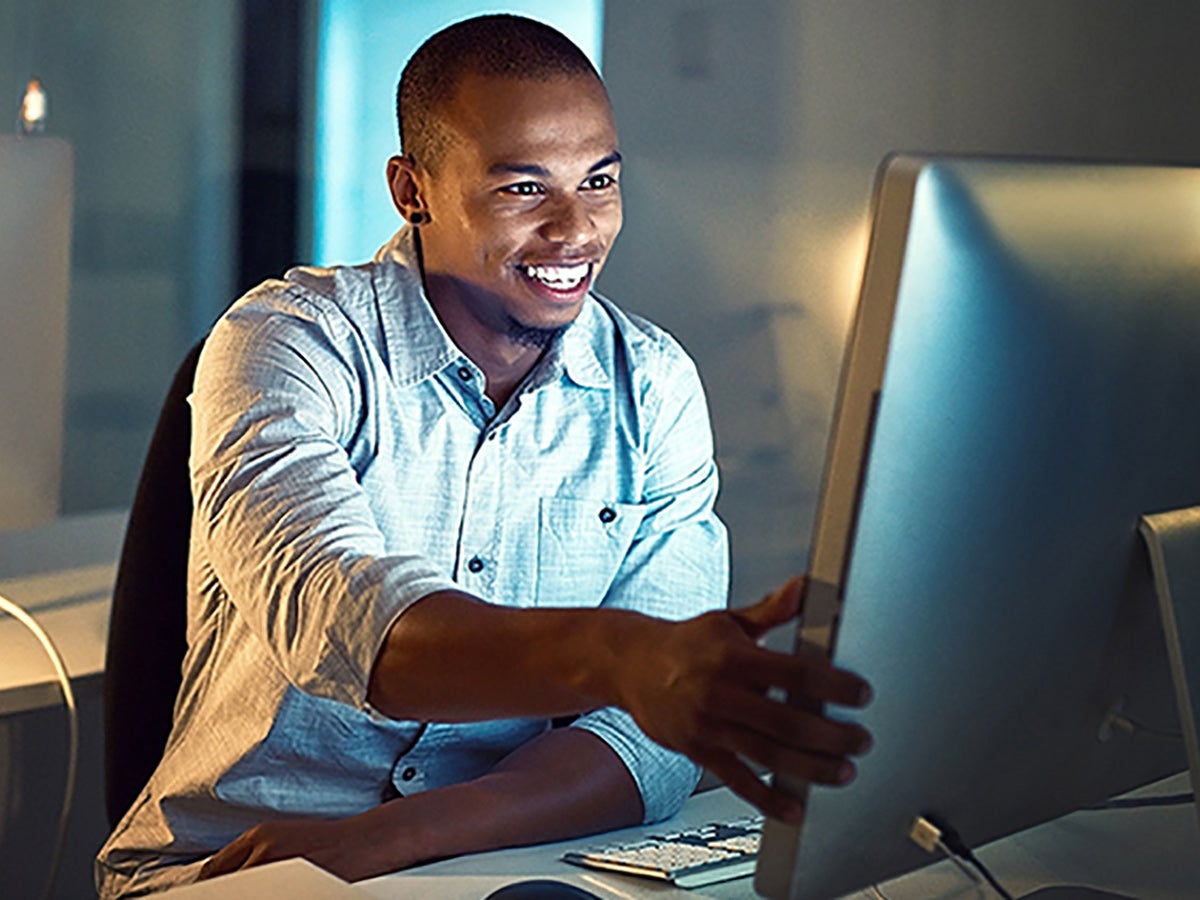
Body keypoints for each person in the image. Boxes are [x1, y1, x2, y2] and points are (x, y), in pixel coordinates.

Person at [96, 14, 871, 897]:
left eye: (600, 181)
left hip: (495, 857)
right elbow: (352, 631)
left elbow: (646, 743)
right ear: (411, 189)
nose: (575, 230)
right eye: (522, 189)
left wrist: (399, 835)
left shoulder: (652, 385)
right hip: (232, 869)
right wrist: (623, 654)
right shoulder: (285, 342)